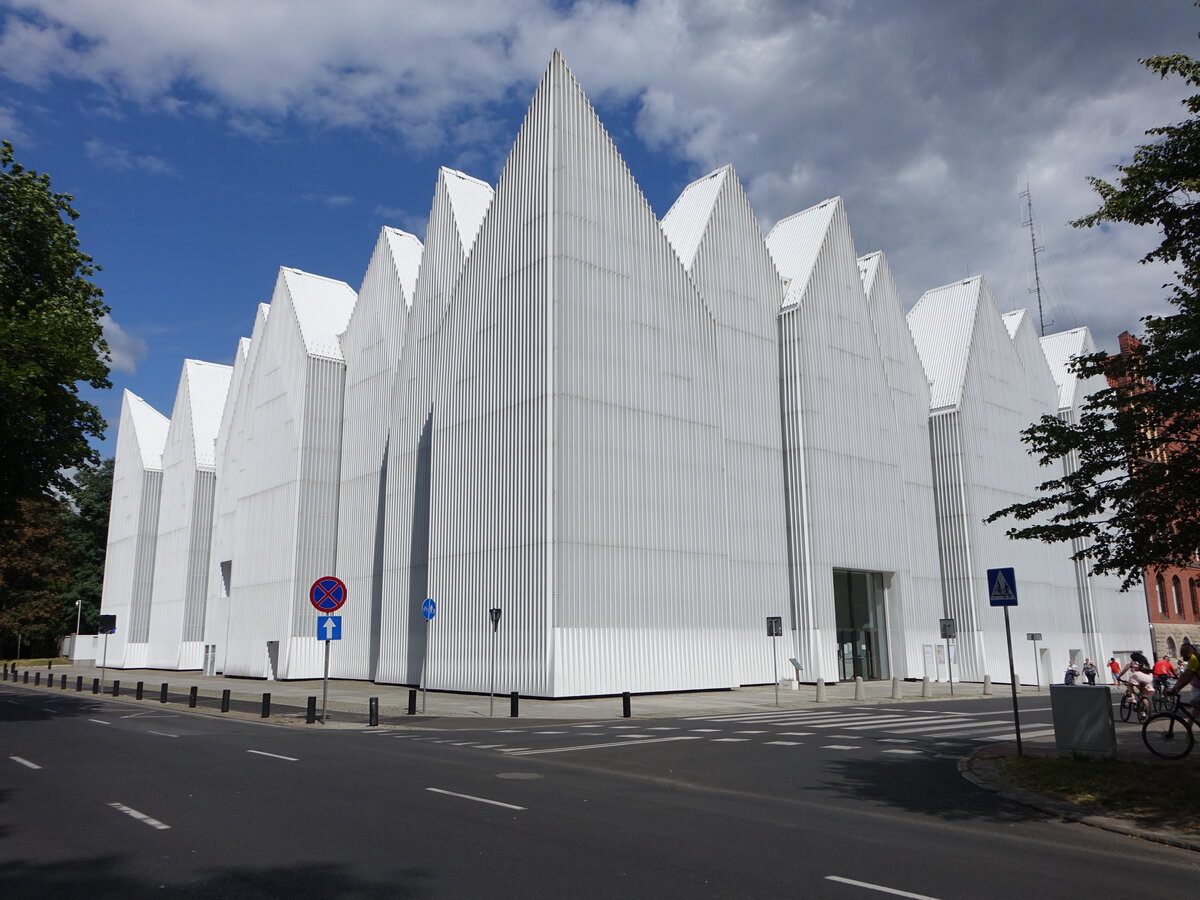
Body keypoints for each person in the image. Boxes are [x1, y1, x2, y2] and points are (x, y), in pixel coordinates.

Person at [1167, 642, 1200, 720]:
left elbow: (1187, 678)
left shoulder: (1194, 658)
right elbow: (1183, 676)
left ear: (1188, 652)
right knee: (1195, 707)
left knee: (1195, 702)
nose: (1181, 655)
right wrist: (1175, 688)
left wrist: (1174, 689)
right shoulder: (1193, 659)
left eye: (1182, 653)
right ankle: (1189, 730)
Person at [1117, 651, 1155, 717]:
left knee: (1129, 684)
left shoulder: (1132, 662)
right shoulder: (1145, 663)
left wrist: (1119, 677)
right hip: (1148, 678)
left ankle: (1133, 698)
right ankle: (1143, 712)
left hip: (1137, 676)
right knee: (1144, 695)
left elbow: (1124, 670)